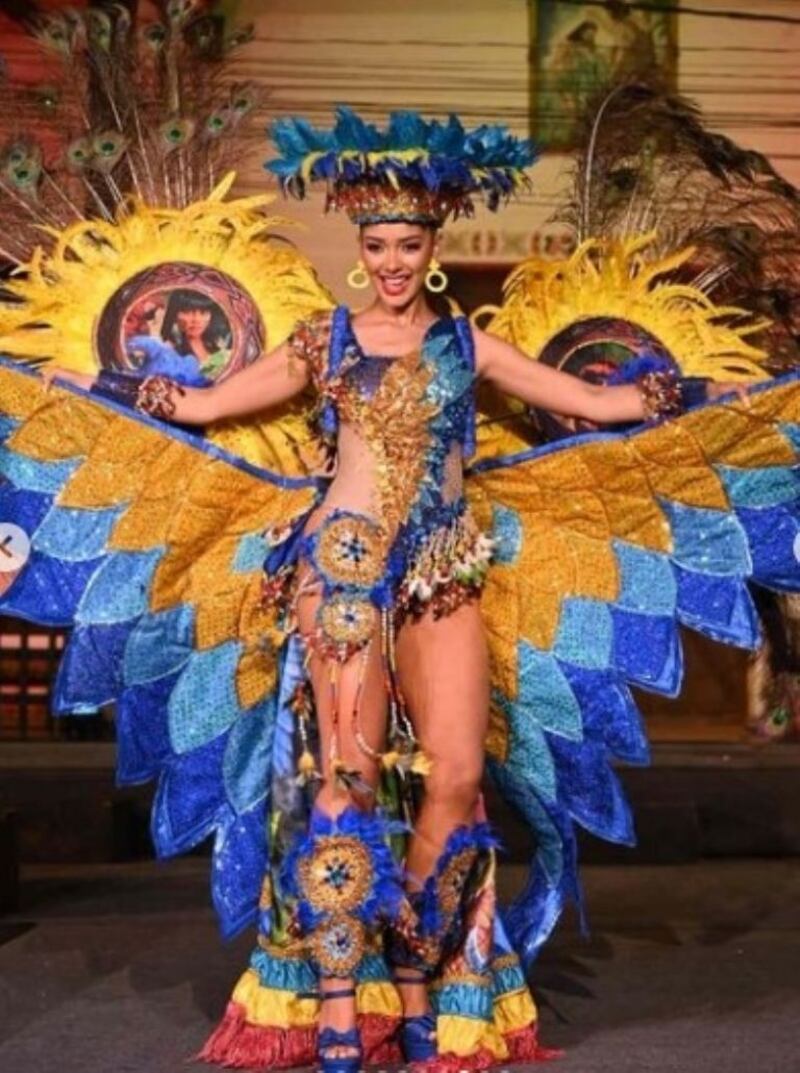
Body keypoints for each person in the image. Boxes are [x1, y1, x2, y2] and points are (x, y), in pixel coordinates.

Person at [41, 108, 752, 1073]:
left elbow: (594, 402)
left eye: (407, 245)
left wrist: (703, 398)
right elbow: (203, 404)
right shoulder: (323, 342)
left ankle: (412, 962)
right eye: (375, 245)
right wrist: (97, 385)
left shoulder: (467, 345)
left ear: (433, 247)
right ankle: (341, 1002)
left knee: (455, 776)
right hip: (340, 567)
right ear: (359, 249)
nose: (390, 262)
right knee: (344, 778)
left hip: (443, 571)